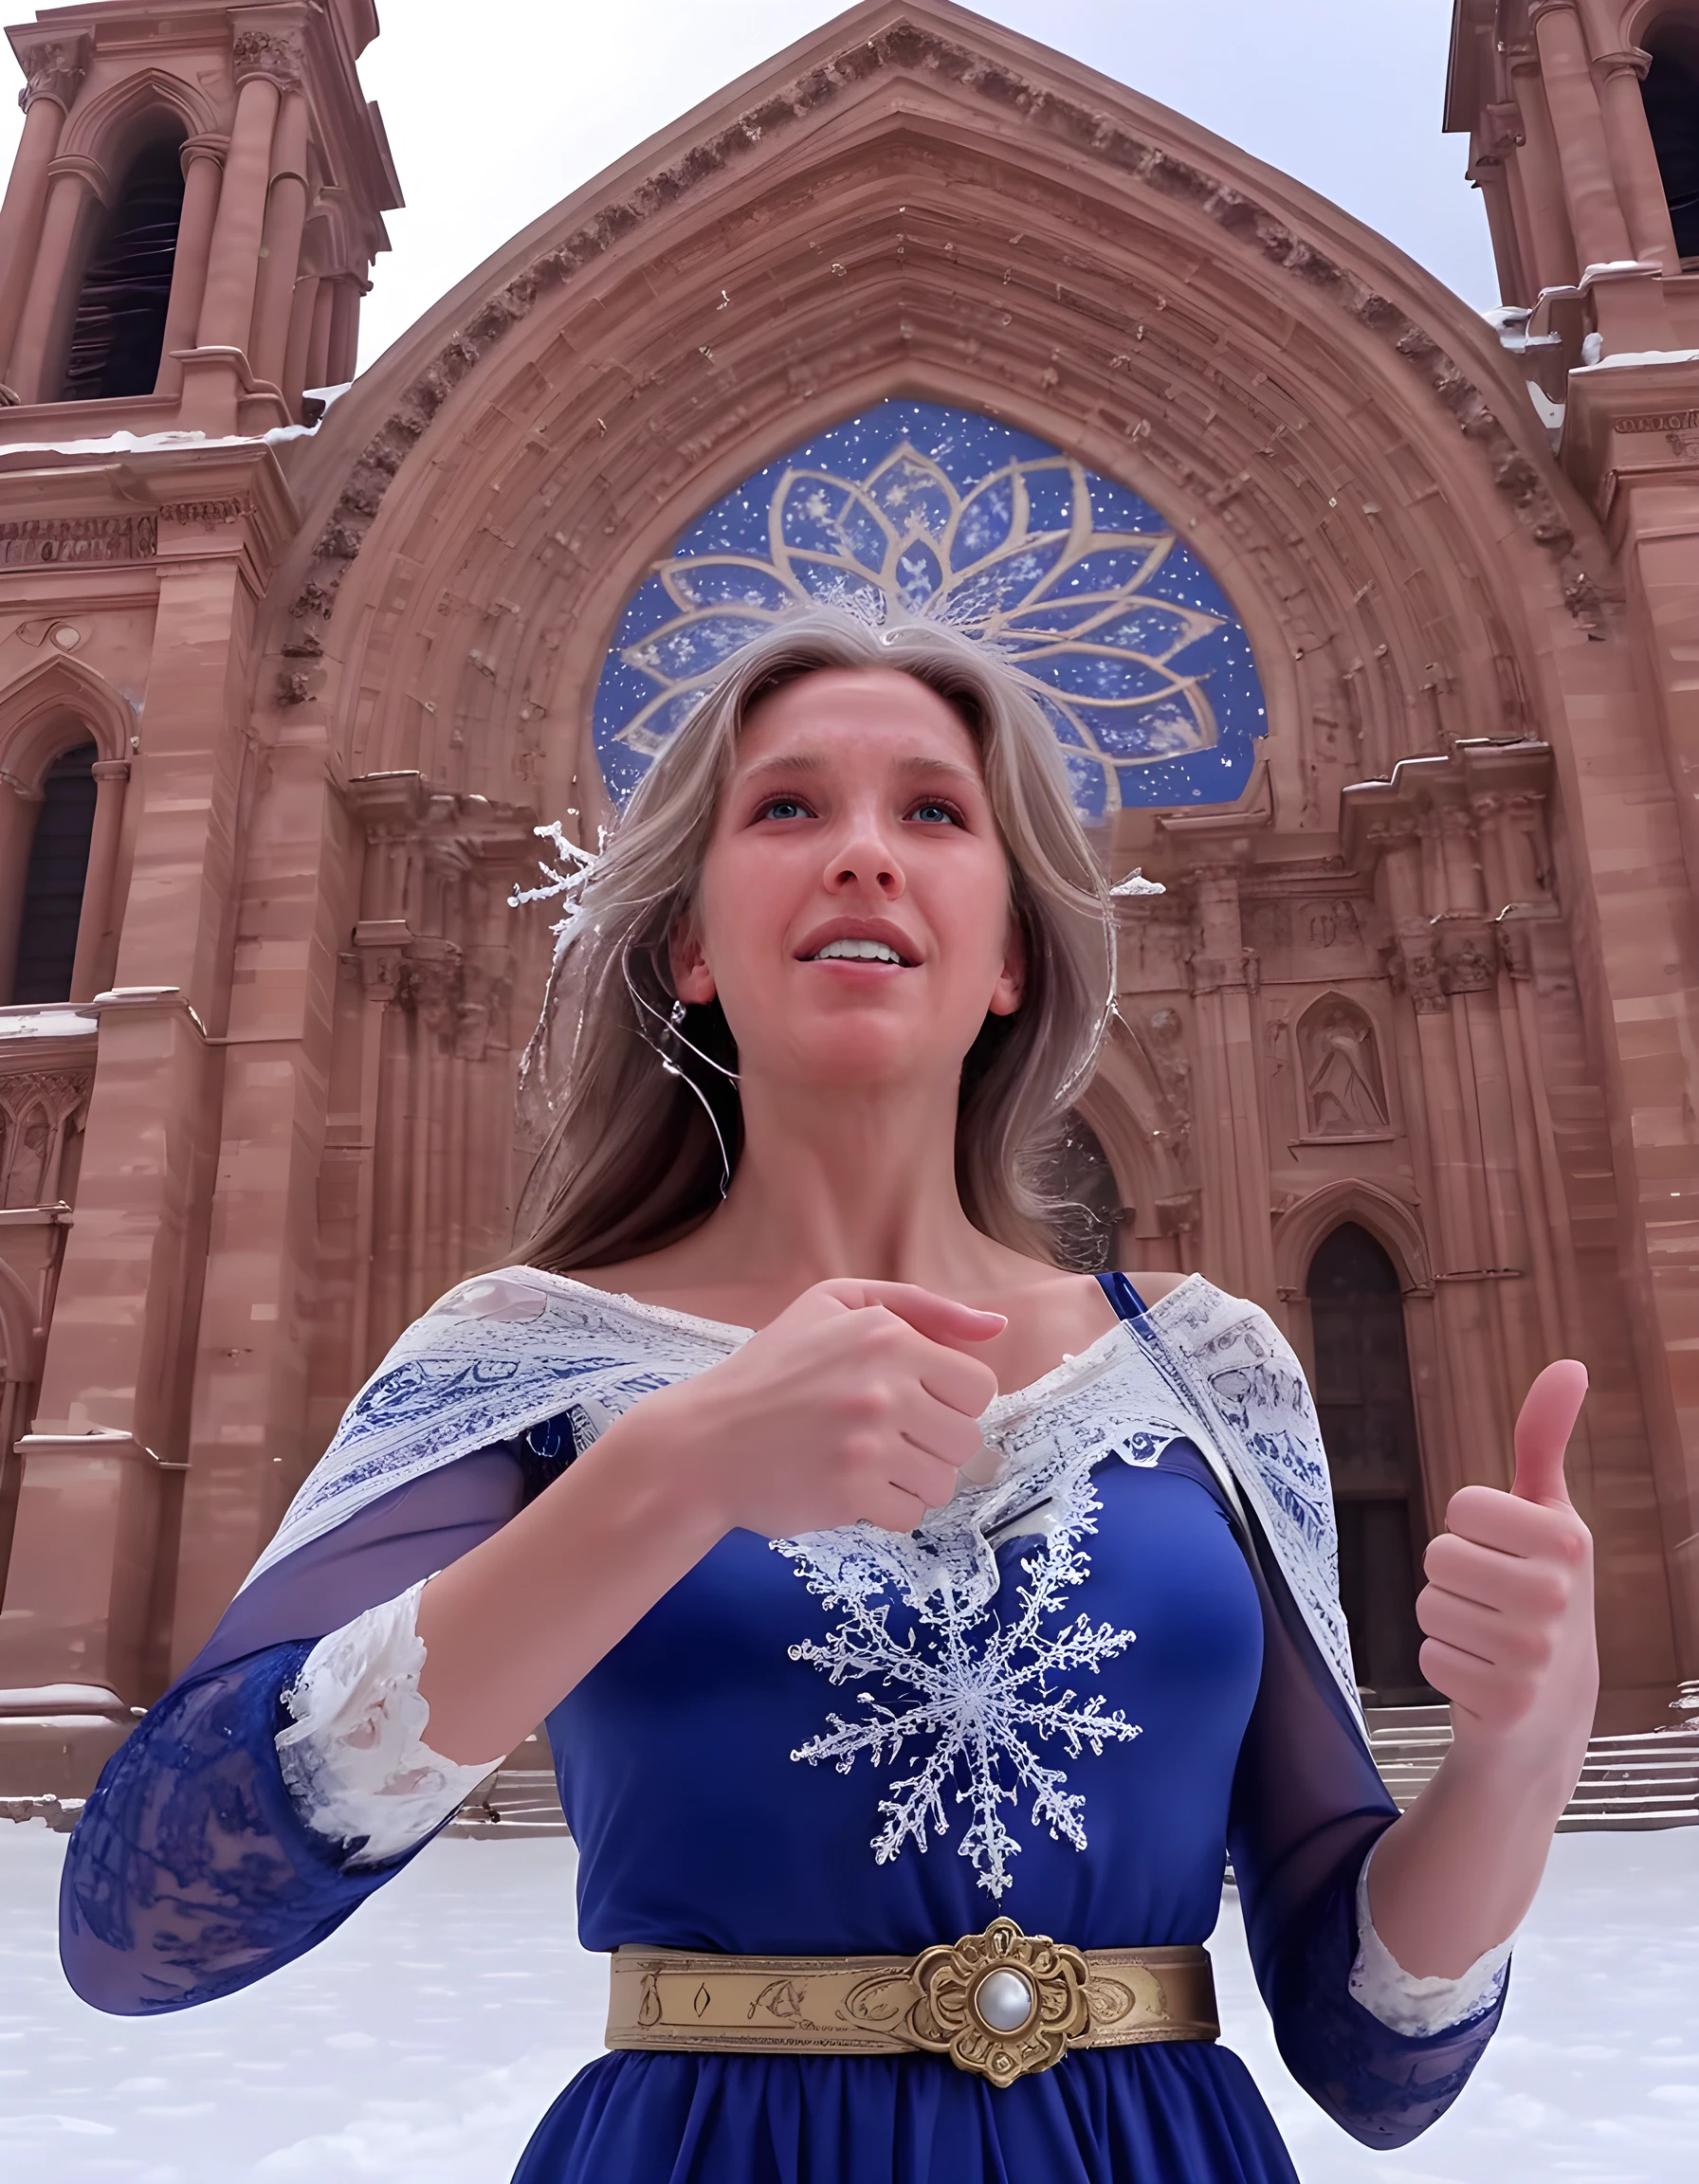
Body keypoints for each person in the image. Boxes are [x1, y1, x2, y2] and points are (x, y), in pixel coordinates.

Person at [60, 610, 1598, 2184]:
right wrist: (669, 1479)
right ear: (692, 944)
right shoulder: (524, 1354)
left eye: (933, 811)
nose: (864, 853)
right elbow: (138, 1922)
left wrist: (1521, 1757)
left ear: (1011, 952)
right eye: (786, 807)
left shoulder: (1206, 1367)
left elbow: (1373, 2066)